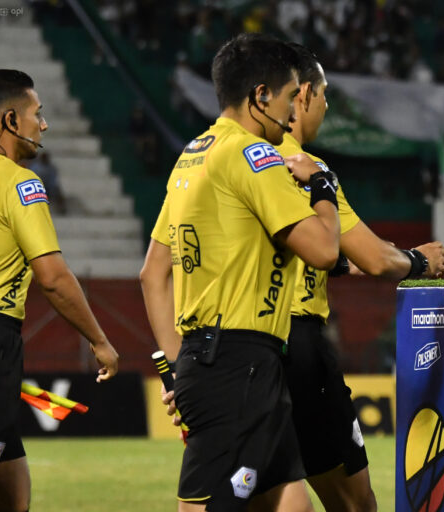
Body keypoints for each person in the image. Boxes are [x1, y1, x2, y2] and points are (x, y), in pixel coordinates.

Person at [139, 34, 340, 511]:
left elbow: (152, 273)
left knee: (293, 502)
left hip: (223, 361)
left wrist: (180, 369)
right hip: (238, 366)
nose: (294, 114)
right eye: (291, 97)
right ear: (260, 97)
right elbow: (325, 250)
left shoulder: (192, 154)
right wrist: (321, 185)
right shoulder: (254, 157)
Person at [276, 43, 444, 512]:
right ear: (304, 93)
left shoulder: (236, 161)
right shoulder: (311, 171)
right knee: (355, 503)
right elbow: (375, 258)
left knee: (268, 496)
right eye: (326, 95)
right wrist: (419, 260)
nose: (327, 107)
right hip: (300, 347)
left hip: (244, 350)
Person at [0, 69, 119, 512]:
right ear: (9, 121)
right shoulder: (18, 182)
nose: (42, 126)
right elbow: (54, 277)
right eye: (36, 115)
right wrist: (99, 340)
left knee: (12, 488)